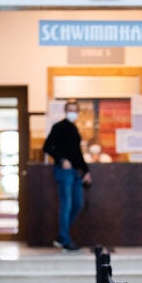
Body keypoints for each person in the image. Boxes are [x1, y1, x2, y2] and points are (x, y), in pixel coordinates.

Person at [42, 100, 91, 251]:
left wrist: (86, 171)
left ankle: (61, 236)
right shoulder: (59, 127)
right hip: (64, 172)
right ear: (65, 111)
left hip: (76, 173)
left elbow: (77, 153)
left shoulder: (74, 129)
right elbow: (47, 147)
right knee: (67, 205)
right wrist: (61, 159)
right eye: (70, 109)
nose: (73, 112)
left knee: (78, 204)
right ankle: (66, 241)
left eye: (75, 110)